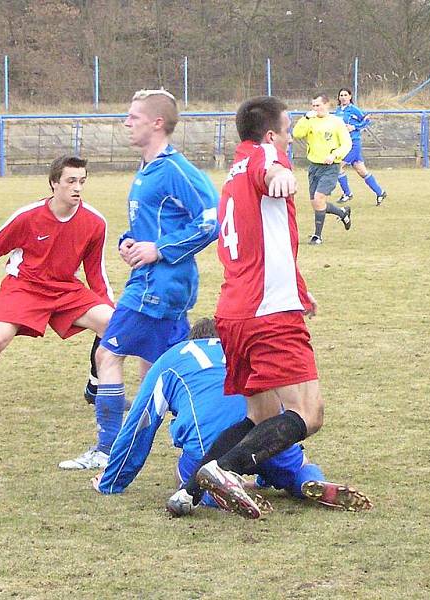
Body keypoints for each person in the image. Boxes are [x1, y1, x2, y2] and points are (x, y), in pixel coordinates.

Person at [167, 96, 330, 520]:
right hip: (269, 315)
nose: (292, 138)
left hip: (233, 314)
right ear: (271, 133)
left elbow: (265, 241)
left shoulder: (232, 173)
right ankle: (225, 469)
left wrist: (300, 289)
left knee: (261, 416)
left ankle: (189, 490)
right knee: (308, 415)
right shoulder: (264, 157)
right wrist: (279, 175)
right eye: (289, 129)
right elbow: (270, 166)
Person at [59, 89, 219, 470]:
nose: (126, 123)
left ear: (157, 123)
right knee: (159, 371)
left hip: (157, 286)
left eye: (133, 117)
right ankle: (212, 443)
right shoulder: (147, 170)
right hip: (154, 281)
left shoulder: (176, 169)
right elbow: (150, 226)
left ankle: (107, 449)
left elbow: (211, 221)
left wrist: (158, 249)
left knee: (107, 354)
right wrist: (129, 242)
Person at [91, 318, 372, 516]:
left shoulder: (173, 358)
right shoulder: (243, 351)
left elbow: (140, 425)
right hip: (268, 435)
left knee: (184, 472)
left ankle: (218, 493)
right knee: (296, 464)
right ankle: (309, 480)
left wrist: (112, 480)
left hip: (209, 445)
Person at [0, 155, 114, 422]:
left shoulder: (95, 222)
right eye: (71, 181)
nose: (77, 187)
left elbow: (95, 271)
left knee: (111, 323)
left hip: (65, 290)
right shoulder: (28, 217)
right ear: (54, 183)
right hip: (24, 287)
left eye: (82, 181)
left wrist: (111, 305)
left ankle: (94, 388)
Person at [291, 93, 353, 245]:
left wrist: (334, 155)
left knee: (319, 199)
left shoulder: (336, 122)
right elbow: (296, 133)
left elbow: (346, 144)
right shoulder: (310, 121)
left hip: (330, 167)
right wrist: (305, 118)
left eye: (318, 105)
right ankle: (342, 212)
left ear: (327, 105)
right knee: (316, 203)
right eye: (313, 106)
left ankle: (317, 236)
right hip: (314, 167)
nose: (315, 108)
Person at [333, 87, 387, 206]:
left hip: (353, 143)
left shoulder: (353, 109)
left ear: (350, 97)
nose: (343, 97)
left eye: (345, 95)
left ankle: (347, 193)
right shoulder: (337, 111)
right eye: (341, 95)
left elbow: (366, 120)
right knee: (362, 171)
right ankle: (380, 192)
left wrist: (355, 127)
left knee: (337, 166)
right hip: (344, 143)